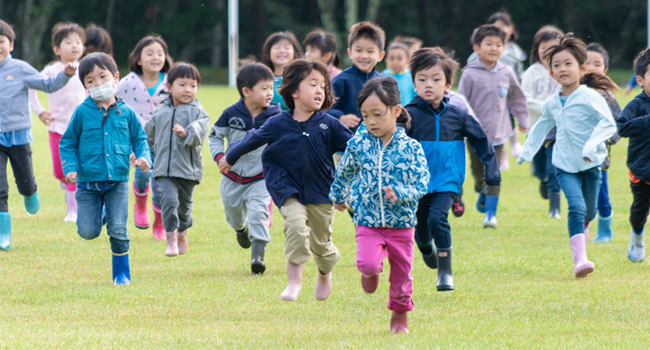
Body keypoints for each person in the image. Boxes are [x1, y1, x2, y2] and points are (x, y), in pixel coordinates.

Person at [220, 59, 354, 302]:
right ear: (294, 91)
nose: (319, 91)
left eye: (323, 87)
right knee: (295, 226)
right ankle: (294, 282)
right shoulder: (278, 123)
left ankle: (325, 273)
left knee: (321, 243)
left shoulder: (329, 124)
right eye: (313, 84)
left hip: (322, 191)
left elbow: (356, 150)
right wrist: (230, 156)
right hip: (286, 187)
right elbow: (252, 139)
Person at [330, 77, 429, 334]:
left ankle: (399, 317)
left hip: (402, 224)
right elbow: (345, 171)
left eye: (377, 114)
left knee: (401, 275)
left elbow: (422, 183)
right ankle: (370, 272)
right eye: (365, 115)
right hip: (367, 220)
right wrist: (338, 194)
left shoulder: (411, 148)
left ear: (396, 112)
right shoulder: (358, 144)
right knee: (368, 263)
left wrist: (401, 193)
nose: (371, 121)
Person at [517, 34, 616, 278]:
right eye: (557, 65)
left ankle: (583, 236)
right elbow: (541, 126)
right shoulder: (552, 102)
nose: (563, 69)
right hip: (563, 165)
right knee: (576, 206)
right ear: (551, 73)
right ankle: (580, 260)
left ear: (582, 69)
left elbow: (608, 125)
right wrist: (527, 151)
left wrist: (592, 146)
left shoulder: (591, 97)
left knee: (589, 212)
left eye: (568, 63)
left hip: (592, 164)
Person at [406, 48, 500, 291]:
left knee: (438, 218)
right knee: (421, 229)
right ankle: (426, 247)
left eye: (436, 79)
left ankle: (445, 273)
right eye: (422, 79)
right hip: (417, 183)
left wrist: (491, 167)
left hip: (448, 179)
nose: (429, 84)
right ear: (414, 83)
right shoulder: (407, 116)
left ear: (448, 84)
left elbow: (480, 140)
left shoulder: (458, 115)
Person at [59, 53, 151, 284]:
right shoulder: (82, 112)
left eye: (103, 77)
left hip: (117, 182)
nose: (98, 83)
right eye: (91, 80)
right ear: (85, 86)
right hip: (88, 184)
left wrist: (143, 157)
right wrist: (70, 168)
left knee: (118, 230)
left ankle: (121, 273)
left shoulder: (126, 112)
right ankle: (101, 214)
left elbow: (140, 139)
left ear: (115, 77)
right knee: (88, 232)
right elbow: (68, 142)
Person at [0, 20, 78, 251]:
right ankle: (4, 234)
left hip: (19, 137)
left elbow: (49, 85)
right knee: (0, 187)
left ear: (11, 44)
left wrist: (66, 75)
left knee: (25, 183)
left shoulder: (21, 69)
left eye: (1, 41)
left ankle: (30, 192)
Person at [209, 62, 281, 274]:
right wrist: (220, 156)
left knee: (259, 214)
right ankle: (241, 229)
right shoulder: (230, 113)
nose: (270, 93)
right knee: (233, 214)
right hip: (231, 178)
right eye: (264, 88)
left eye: (271, 87)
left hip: (260, 178)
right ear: (246, 92)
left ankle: (257, 257)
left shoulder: (275, 116)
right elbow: (215, 137)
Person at [458, 24, 528, 228]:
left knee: (494, 173)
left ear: (504, 48)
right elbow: (461, 103)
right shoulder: (469, 74)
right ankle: (480, 188)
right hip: (474, 134)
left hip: (499, 133)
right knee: (478, 172)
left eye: (498, 44)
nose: (494, 48)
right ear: (476, 48)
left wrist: (522, 119)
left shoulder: (506, 72)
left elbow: (517, 97)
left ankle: (490, 215)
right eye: (488, 44)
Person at [145, 63, 208, 257]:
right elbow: (148, 135)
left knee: (185, 207)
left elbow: (201, 130)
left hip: (188, 168)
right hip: (164, 168)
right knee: (169, 201)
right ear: (170, 87)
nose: (188, 89)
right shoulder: (160, 111)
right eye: (182, 85)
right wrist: (139, 152)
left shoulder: (198, 112)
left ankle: (182, 233)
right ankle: (171, 239)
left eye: (193, 85)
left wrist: (186, 132)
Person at [116, 35, 174, 240]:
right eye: (149, 53)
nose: (155, 57)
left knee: (161, 184)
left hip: (165, 141)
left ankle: (159, 221)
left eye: (160, 53)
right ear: (139, 59)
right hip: (138, 140)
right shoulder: (127, 83)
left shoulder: (171, 83)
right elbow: (112, 103)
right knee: (142, 175)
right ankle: (140, 202)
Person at [28, 22, 87, 223]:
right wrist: (40, 111)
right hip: (57, 128)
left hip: (81, 129)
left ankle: (73, 211)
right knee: (59, 171)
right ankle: (65, 182)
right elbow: (32, 88)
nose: (74, 46)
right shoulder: (52, 70)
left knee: (75, 170)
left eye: (78, 42)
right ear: (56, 49)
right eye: (68, 42)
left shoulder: (86, 68)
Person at [468, 10, 527, 165]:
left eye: (503, 27)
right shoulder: (481, 51)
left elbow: (519, 69)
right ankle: (500, 154)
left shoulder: (514, 51)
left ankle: (512, 145)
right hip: (486, 92)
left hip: (507, 90)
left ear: (511, 29)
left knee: (506, 117)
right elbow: (471, 66)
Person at [521, 26, 563, 219]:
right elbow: (525, 99)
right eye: (543, 47)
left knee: (554, 165)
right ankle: (542, 180)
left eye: (552, 47)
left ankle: (555, 208)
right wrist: (549, 107)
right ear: (536, 49)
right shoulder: (531, 72)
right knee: (540, 168)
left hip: (559, 129)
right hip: (536, 128)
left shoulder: (563, 71)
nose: (547, 51)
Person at [616, 47, 650, 263]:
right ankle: (637, 235)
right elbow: (620, 127)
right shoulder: (636, 105)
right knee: (640, 212)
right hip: (642, 170)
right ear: (640, 79)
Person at [585, 42, 622, 242]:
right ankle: (583, 229)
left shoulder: (607, 97)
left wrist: (608, 138)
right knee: (580, 196)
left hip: (599, 157)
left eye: (597, 64)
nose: (591, 67)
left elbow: (619, 124)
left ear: (605, 70)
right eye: (586, 62)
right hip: (575, 155)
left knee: (601, 194)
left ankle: (605, 229)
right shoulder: (574, 93)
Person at [328, 21, 385, 134]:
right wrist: (340, 117)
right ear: (350, 53)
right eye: (359, 50)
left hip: (376, 142)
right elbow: (325, 108)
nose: (364, 56)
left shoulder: (383, 82)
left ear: (380, 56)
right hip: (347, 142)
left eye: (370, 51)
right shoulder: (341, 80)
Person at [261, 31, 303, 110]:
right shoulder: (260, 79)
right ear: (268, 52)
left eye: (287, 47)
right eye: (277, 47)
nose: (282, 51)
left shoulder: (301, 79)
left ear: (295, 52)